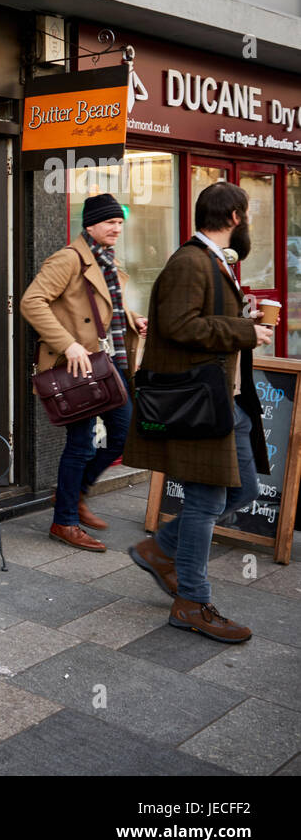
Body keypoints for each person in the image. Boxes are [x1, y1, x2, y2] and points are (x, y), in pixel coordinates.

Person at [123, 181, 270, 643]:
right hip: (198, 402)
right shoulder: (190, 261)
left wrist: (243, 326)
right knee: (208, 500)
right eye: (245, 215)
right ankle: (192, 601)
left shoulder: (211, 260)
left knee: (242, 489)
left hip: (223, 403)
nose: (247, 224)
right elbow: (179, 324)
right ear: (233, 218)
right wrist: (244, 329)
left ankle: (159, 549)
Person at [21, 193, 146, 552]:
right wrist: (67, 343)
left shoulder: (106, 259)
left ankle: (75, 496)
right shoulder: (68, 259)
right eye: (110, 222)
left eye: (120, 222)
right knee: (80, 444)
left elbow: (106, 308)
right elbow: (32, 301)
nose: (117, 228)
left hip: (108, 365)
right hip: (78, 367)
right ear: (90, 224)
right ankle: (64, 521)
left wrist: (134, 319)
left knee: (123, 437)